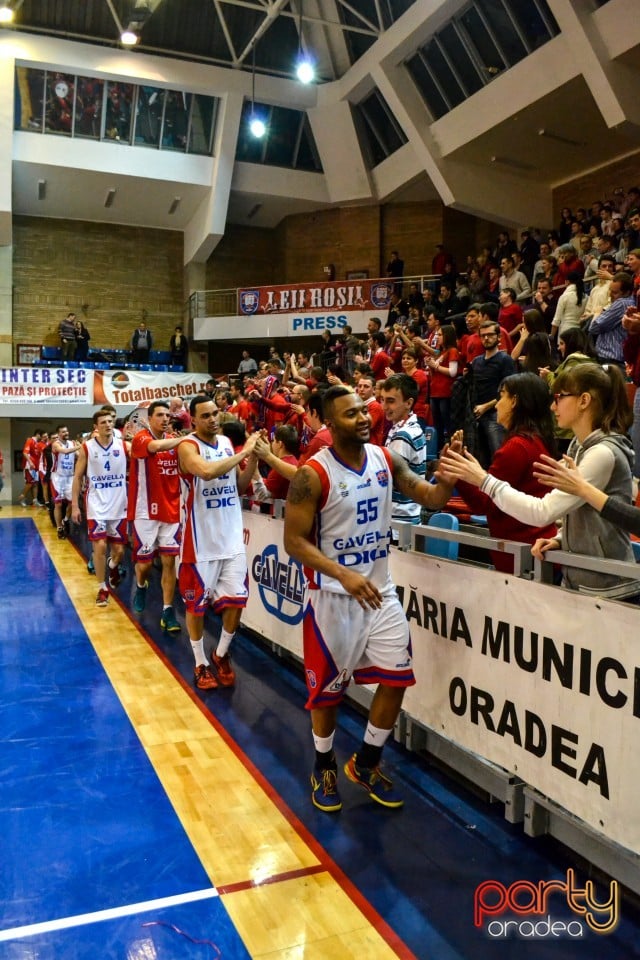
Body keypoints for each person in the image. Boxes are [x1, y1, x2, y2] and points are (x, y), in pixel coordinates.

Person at [283, 385, 458, 813]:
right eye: (350, 414)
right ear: (329, 423)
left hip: (380, 592)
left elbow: (430, 496)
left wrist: (448, 479)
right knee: (328, 694)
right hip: (332, 598)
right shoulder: (312, 474)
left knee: (397, 679)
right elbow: (293, 542)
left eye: (364, 410)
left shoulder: (385, 457)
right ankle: (324, 763)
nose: (363, 418)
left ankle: (366, 761)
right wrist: (343, 573)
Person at [440, 363, 640, 601]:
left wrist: (482, 480)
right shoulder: (579, 446)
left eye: (560, 397)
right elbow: (577, 511)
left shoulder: (602, 454)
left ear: (584, 401)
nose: (553, 405)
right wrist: (560, 539)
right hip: (581, 578)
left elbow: (542, 511)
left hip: (607, 587)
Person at [177, 395, 261, 689]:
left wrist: (253, 460)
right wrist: (245, 451)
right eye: (206, 415)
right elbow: (207, 471)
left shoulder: (225, 443)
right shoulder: (187, 446)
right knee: (196, 607)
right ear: (194, 420)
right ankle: (200, 663)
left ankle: (221, 653)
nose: (213, 419)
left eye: (216, 414)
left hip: (232, 538)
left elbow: (238, 486)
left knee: (237, 602)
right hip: (201, 543)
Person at [446, 374, 558, 573]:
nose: (497, 405)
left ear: (514, 401)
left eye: (502, 396)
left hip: (522, 553)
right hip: (536, 549)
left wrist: (458, 472)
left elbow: (485, 504)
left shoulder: (516, 447)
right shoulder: (537, 440)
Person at [128, 401, 182, 631]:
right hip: (145, 511)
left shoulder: (174, 441)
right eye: (159, 415)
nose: (165, 418)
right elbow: (154, 447)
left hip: (171, 510)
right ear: (149, 418)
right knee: (146, 564)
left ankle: (167, 611)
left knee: (169, 562)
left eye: (167, 415)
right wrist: (185, 439)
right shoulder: (141, 438)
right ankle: (141, 585)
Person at [72, 409, 130, 607]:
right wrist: (74, 507)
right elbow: (78, 477)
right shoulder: (87, 447)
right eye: (103, 422)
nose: (108, 424)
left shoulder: (124, 445)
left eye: (110, 420)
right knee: (100, 546)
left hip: (119, 505)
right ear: (96, 426)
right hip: (96, 505)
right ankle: (102, 588)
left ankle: (113, 566)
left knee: (119, 551)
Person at [381, 374, 427, 536]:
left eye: (391, 401)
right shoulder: (404, 428)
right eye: (383, 400)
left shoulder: (403, 434)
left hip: (399, 524)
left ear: (408, 403)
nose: (385, 406)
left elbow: (389, 480)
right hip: (404, 519)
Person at [470, 320, 517, 467]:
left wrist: (486, 406)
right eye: (483, 335)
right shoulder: (476, 361)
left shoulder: (505, 360)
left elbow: (509, 391)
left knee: (499, 455)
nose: (486, 338)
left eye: (490, 335)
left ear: (498, 337)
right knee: (480, 458)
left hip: (496, 414)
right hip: (476, 414)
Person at [425, 324, 459, 448]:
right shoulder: (441, 352)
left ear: (447, 336)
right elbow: (436, 372)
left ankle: (451, 448)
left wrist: (436, 366)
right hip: (435, 392)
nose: (437, 337)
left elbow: (452, 372)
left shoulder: (453, 351)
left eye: (440, 335)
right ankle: (439, 449)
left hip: (445, 392)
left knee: (447, 424)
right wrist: (431, 365)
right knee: (437, 424)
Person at [50, 425, 80, 539]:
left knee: (73, 502)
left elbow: (78, 455)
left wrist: (82, 450)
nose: (66, 433)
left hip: (70, 477)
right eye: (63, 432)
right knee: (58, 504)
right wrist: (79, 447)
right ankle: (59, 528)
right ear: (59, 434)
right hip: (58, 477)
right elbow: (65, 451)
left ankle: (65, 520)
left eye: (67, 431)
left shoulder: (72, 443)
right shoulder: (56, 444)